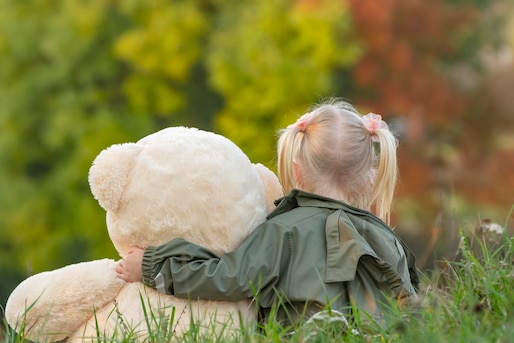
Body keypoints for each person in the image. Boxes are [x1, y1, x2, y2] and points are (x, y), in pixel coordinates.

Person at [116, 99, 419, 329]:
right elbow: (407, 306)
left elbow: (226, 278)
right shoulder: (387, 238)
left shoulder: (283, 231)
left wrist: (150, 265)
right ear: (369, 176)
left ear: (297, 170)